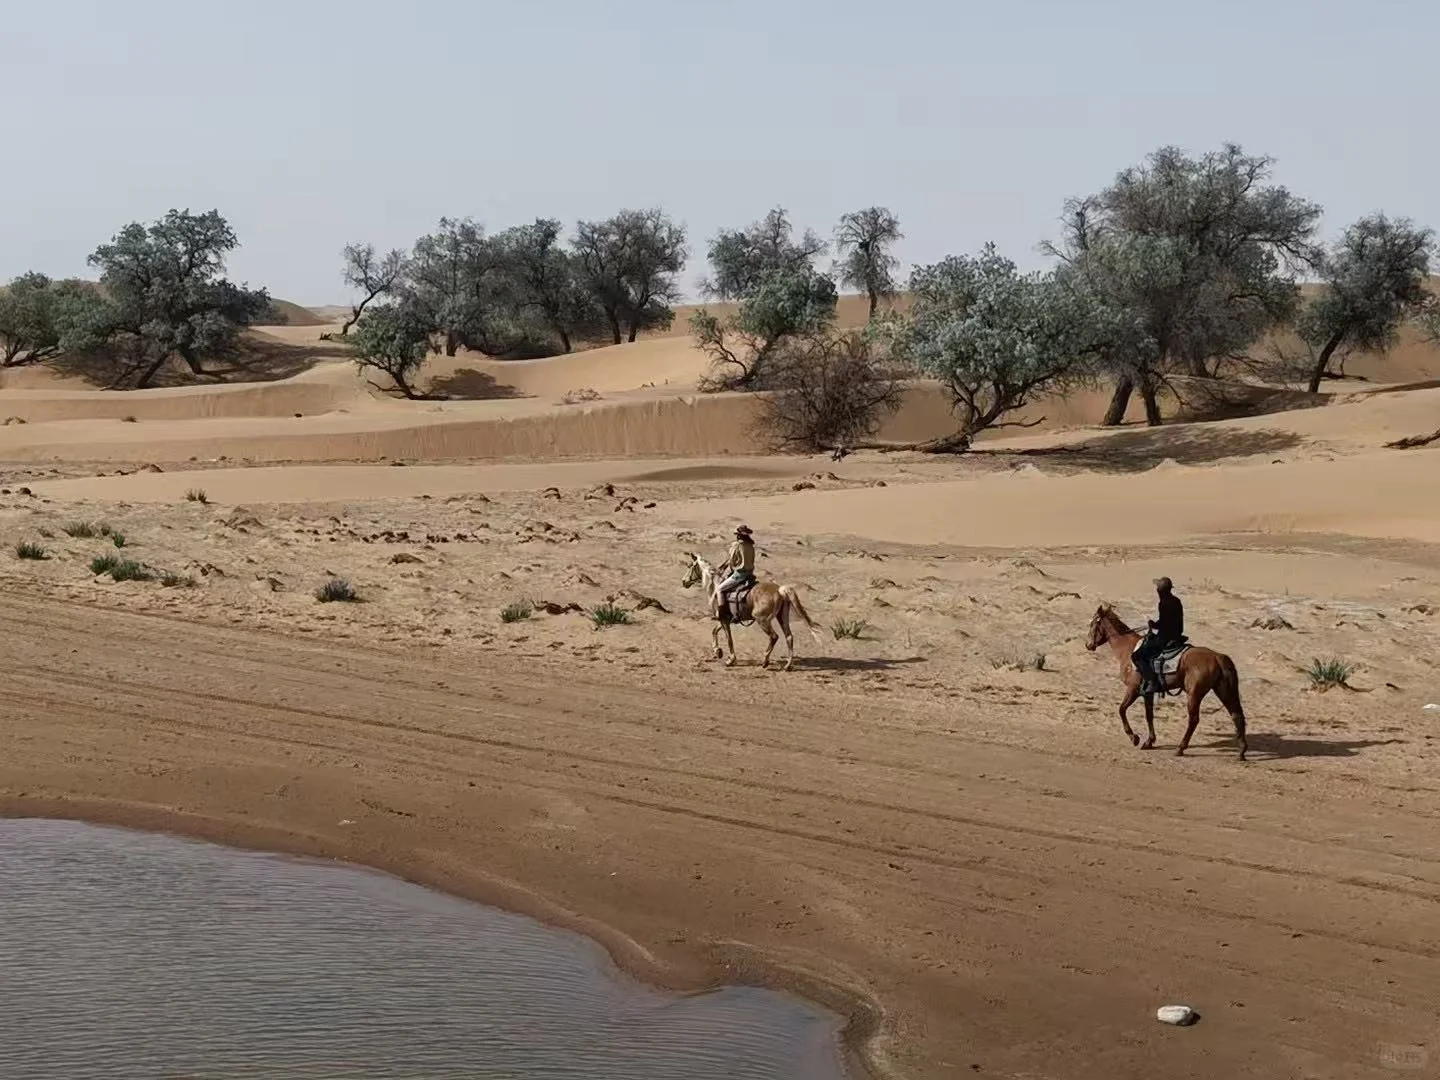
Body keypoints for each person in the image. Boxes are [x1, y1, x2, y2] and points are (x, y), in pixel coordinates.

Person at [1133, 576, 1184, 693]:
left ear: (1160, 591)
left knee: (1137, 656)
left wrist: (1154, 625)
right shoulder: (1176, 601)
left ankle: (1152, 681)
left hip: (1166, 637)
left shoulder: (1164, 603)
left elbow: (1164, 624)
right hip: (1177, 635)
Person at [716, 525, 757, 618]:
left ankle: (722, 614)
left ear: (738, 535)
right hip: (750, 574)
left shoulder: (737, 545)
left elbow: (732, 560)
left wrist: (724, 567)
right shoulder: (750, 546)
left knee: (719, 589)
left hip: (739, 575)